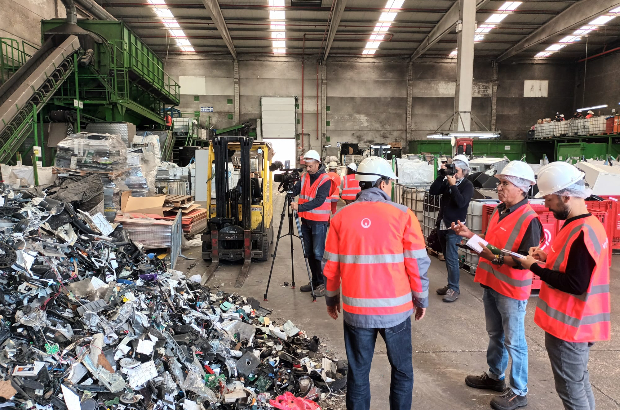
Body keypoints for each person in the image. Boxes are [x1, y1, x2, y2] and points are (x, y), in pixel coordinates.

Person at [323, 156, 430, 410]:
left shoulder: (340, 218)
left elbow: (330, 267)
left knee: (358, 375)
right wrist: (421, 298)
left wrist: (331, 299)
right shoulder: (403, 215)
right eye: (389, 183)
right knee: (402, 371)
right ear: (382, 184)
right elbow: (416, 263)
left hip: (356, 313)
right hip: (396, 311)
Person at [452, 161, 542, 410]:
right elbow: (492, 247)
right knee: (495, 335)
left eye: (505, 184)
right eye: (500, 183)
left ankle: (519, 391)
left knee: (515, 341)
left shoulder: (529, 219)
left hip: (512, 289)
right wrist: (470, 236)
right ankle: (495, 377)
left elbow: (528, 260)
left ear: (522, 189)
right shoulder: (500, 210)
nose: (499, 188)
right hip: (492, 283)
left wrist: (498, 258)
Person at [521, 162, 610, 410]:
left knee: (571, 391)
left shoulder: (582, 230)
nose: (546, 205)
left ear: (566, 196)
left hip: (570, 327)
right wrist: (546, 257)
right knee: (579, 383)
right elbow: (573, 264)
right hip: (578, 322)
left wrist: (533, 267)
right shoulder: (585, 224)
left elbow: (575, 282)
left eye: (549, 200)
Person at [429, 154, 474, 302]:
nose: (454, 172)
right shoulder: (448, 181)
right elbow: (433, 191)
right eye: (452, 168)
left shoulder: (467, 185)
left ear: (465, 171)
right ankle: (450, 285)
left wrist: (453, 185)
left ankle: (454, 289)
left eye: (457, 169)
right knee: (448, 259)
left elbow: (461, 203)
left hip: (456, 227)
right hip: (443, 224)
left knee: (452, 258)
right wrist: (441, 175)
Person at [291, 150, 331, 297]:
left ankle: (322, 283)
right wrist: (289, 185)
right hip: (306, 221)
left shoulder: (325, 180)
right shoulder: (304, 177)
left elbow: (319, 200)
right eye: (306, 166)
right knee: (309, 253)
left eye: (310, 166)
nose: (307, 169)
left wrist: (299, 207)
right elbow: (295, 190)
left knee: (318, 253)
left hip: (319, 223)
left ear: (317, 163)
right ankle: (314, 281)